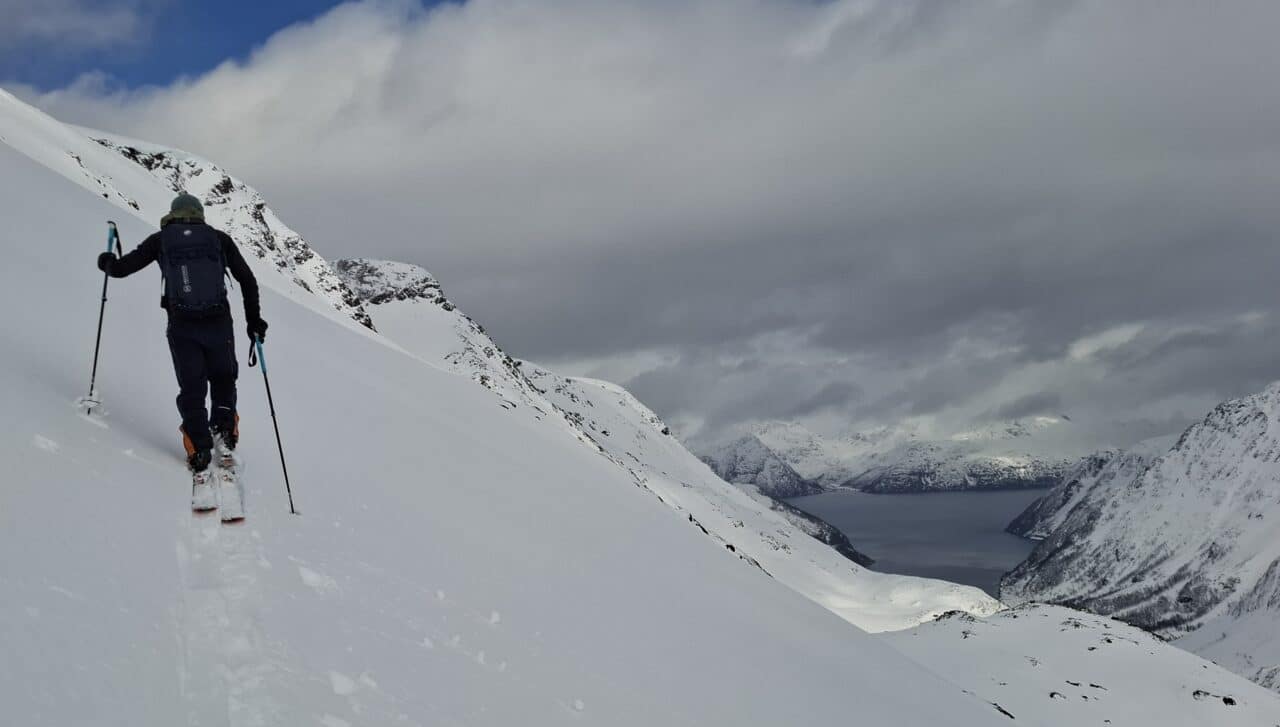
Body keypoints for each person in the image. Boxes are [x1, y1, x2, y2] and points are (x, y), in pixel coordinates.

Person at [97, 193, 268, 475]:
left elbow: (120, 269)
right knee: (224, 378)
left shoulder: (161, 240)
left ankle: (199, 447)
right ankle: (225, 434)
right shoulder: (219, 239)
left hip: (182, 325)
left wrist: (106, 261)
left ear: (173, 214)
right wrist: (254, 322)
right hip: (219, 323)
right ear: (200, 214)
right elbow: (247, 281)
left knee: (192, 387)